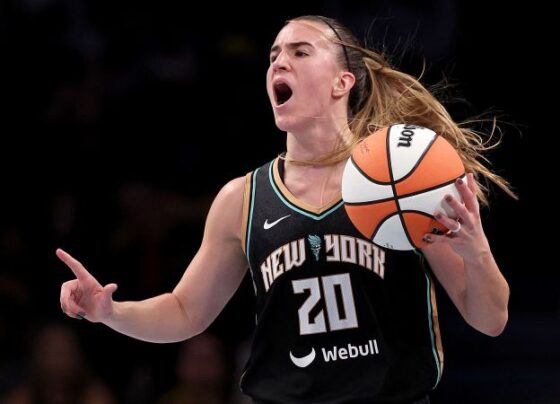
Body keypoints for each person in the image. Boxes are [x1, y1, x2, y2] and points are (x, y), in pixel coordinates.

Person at [58, 15, 513, 403]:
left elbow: (490, 320)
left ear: (343, 81)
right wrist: (110, 313)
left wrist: (477, 253)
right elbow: (183, 312)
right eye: (274, 54)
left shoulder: (406, 180)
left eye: (300, 52)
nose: (279, 61)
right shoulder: (242, 198)